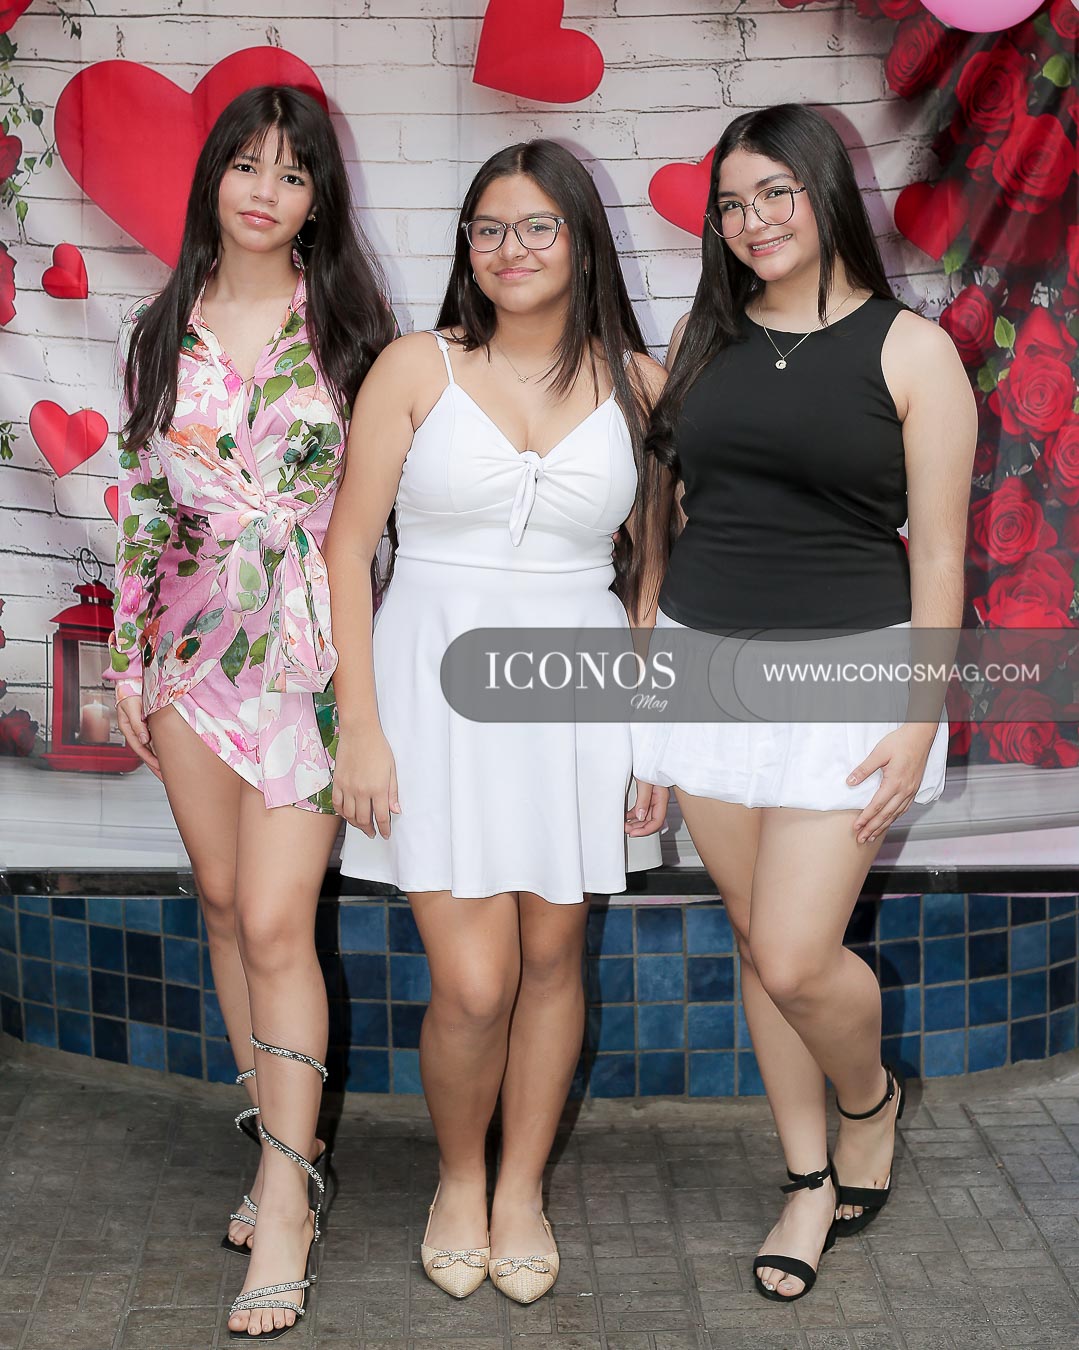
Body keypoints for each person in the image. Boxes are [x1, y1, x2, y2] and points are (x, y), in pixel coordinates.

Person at [634, 104, 976, 1302]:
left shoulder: (913, 352)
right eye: (731, 204)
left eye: (774, 192)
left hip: (851, 680)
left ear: (826, 192)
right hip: (705, 665)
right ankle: (808, 1176)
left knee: (793, 953)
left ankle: (869, 1099)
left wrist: (918, 719)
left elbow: (942, 553)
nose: (751, 220)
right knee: (755, 942)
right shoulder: (704, 335)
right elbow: (669, 523)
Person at [323, 140, 668, 1306]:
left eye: (536, 226)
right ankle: (457, 1178)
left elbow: (651, 580)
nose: (509, 249)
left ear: (581, 241)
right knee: (474, 983)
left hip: (578, 697)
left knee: (555, 957)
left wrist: (654, 736)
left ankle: (519, 1189)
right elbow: (347, 551)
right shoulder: (414, 367)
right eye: (487, 228)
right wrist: (359, 727)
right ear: (465, 246)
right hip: (431, 695)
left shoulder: (641, 383)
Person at [107, 84, 395, 1340]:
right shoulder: (161, 326)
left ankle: (287, 1201)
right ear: (213, 179)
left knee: (280, 920)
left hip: (306, 654)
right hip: (188, 650)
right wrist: (128, 660)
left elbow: (378, 522)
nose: (266, 190)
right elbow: (145, 499)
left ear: (319, 197)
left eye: (292, 170)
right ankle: (283, 1140)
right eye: (246, 164)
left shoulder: (352, 332)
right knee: (225, 905)